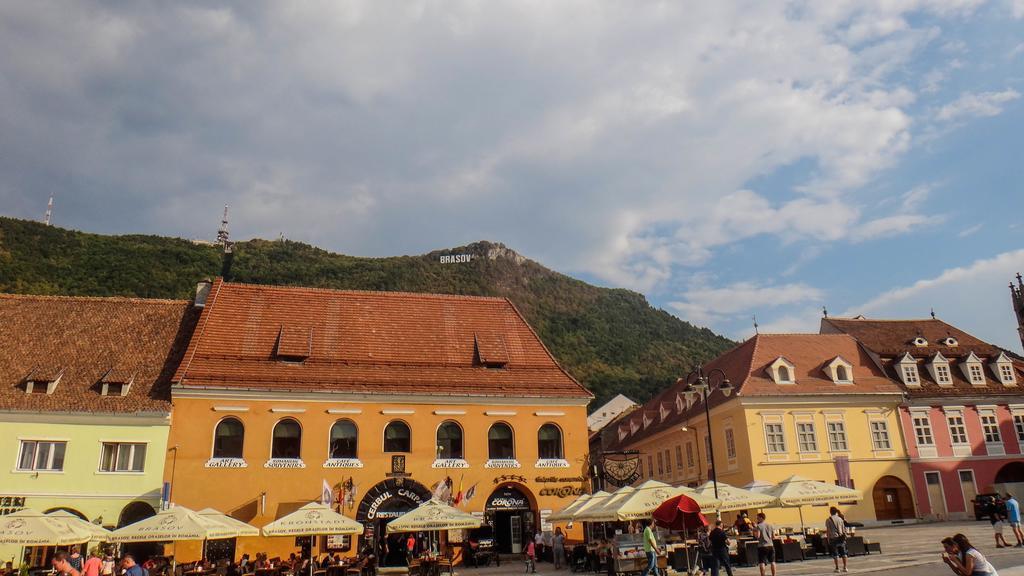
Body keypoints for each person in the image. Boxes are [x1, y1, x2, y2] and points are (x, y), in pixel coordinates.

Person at [825, 507, 848, 573]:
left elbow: (828, 531)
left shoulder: (828, 520)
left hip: (833, 538)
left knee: (835, 554)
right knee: (844, 553)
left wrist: (828, 539)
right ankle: (845, 567)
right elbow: (843, 528)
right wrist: (845, 536)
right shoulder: (840, 518)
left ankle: (837, 568)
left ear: (830, 512)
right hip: (841, 537)